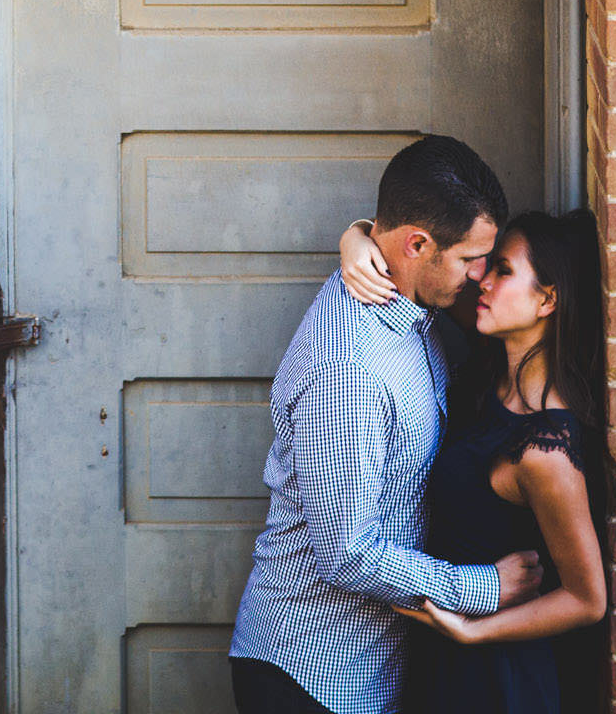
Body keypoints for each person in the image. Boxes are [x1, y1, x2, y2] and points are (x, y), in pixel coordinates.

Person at [230, 135, 544, 714]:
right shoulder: (350, 372)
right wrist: (485, 588)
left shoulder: (406, 298)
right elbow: (348, 553)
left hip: (377, 670)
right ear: (418, 244)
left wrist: (358, 233)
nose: (480, 275)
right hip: (313, 676)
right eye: (471, 259)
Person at [338, 206, 616, 714]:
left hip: (497, 678)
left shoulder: (545, 447)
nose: (482, 281)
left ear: (548, 299)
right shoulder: (491, 368)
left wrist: (473, 632)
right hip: (440, 658)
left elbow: (587, 598)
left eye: (503, 271)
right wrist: (357, 237)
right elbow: (416, 263)